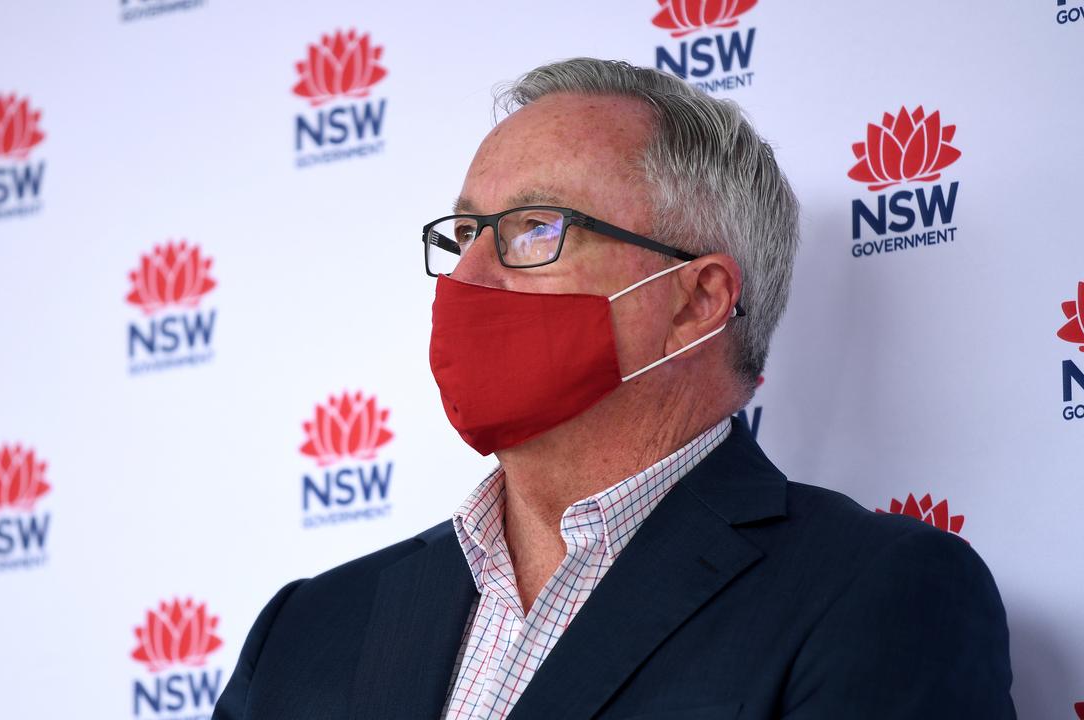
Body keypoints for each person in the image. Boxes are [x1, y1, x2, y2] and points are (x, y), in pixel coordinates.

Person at [212, 58, 1014, 719]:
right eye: (464, 234)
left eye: (535, 229)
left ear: (696, 302)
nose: (467, 277)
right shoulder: (308, 629)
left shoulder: (877, 598)